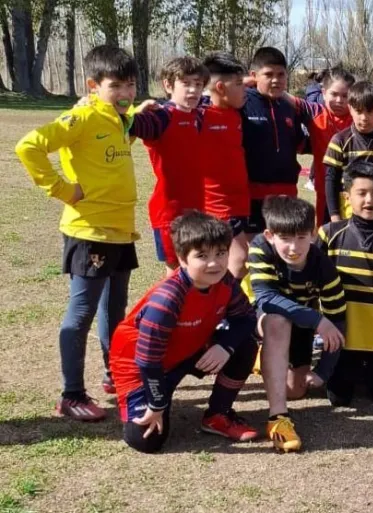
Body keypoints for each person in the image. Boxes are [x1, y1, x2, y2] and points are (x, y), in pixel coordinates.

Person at [15, 45, 142, 420]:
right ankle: (71, 395)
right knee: (82, 310)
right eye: (116, 85)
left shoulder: (119, 117)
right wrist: (62, 189)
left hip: (121, 230)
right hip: (90, 231)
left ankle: (114, 374)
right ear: (93, 84)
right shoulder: (82, 116)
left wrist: (143, 110)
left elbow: (124, 137)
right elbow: (29, 146)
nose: (126, 93)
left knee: (115, 310)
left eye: (132, 85)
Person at [109, 212, 259, 453]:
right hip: (141, 367)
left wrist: (226, 346)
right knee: (146, 441)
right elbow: (148, 360)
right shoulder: (166, 299)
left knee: (245, 345)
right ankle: (156, 400)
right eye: (202, 256)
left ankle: (217, 415)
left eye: (221, 253)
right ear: (182, 258)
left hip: (187, 349)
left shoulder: (226, 281)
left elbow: (246, 318)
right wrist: (157, 403)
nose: (215, 263)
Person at [247, 196, 346, 452]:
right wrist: (317, 319)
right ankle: (278, 419)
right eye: (285, 238)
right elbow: (267, 299)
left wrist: (324, 370)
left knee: (295, 390)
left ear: (313, 234)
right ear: (270, 235)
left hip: (301, 323)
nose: (293, 247)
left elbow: (337, 319)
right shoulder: (260, 247)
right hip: (260, 319)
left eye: (301, 237)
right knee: (278, 321)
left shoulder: (322, 265)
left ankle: (268, 359)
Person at [317, 161, 373, 406]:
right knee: (339, 399)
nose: (370, 200)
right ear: (347, 197)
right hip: (343, 337)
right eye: (361, 193)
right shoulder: (329, 233)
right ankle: (344, 367)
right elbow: (312, 282)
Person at [132, 56, 209, 271]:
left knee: (196, 268)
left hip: (197, 210)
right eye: (186, 83)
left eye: (198, 84)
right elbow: (125, 124)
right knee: (176, 272)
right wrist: (136, 112)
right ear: (168, 85)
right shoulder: (161, 117)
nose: (193, 90)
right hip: (169, 214)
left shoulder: (199, 115)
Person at [240, 47, 318, 234]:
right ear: (253, 76)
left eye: (281, 74)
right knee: (252, 255)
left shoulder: (289, 106)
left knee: (284, 249)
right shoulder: (241, 104)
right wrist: (239, 84)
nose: (276, 80)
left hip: (287, 195)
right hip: (252, 196)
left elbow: (302, 144)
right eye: (268, 74)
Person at [199, 52, 252, 279]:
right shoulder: (200, 115)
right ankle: (222, 310)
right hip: (216, 205)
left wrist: (251, 79)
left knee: (237, 261)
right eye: (239, 85)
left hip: (240, 202)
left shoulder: (234, 112)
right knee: (238, 260)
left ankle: (222, 309)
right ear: (220, 87)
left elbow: (247, 82)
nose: (245, 89)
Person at [323, 81, 373, 223]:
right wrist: (335, 216)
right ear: (350, 109)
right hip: (348, 213)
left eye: (370, 111)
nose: (364, 117)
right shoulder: (340, 141)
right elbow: (331, 180)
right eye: (359, 111)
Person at [306, 66, 356, 226]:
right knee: (325, 239)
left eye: (345, 96)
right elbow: (286, 98)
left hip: (354, 194)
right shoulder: (314, 112)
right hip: (325, 193)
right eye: (334, 94)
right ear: (323, 92)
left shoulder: (359, 116)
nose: (339, 100)